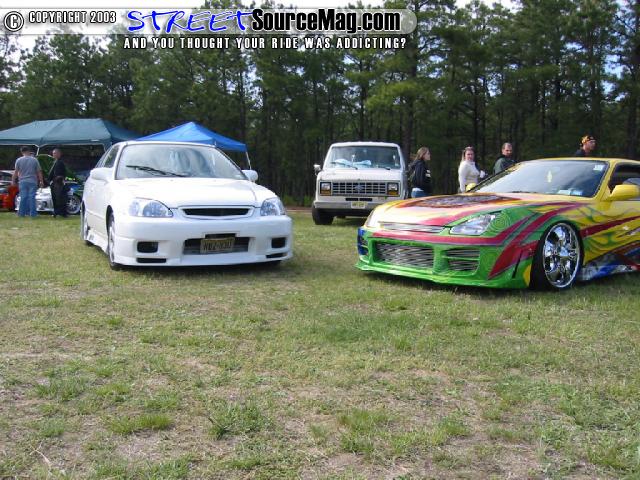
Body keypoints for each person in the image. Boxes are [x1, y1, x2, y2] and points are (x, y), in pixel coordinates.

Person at [12, 146, 43, 218]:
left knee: (23, 197)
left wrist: (13, 181)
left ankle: (21, 214)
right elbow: (39, 171)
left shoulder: (18, 160)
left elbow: (16, 172)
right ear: (28, 151)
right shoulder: (34, 160)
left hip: (22, 181)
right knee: (32, 197)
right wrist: (41, 181)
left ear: (22, 152)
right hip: (33, 181)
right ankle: (33, 214)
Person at [47, 147, 68, 217]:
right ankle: (60, 212)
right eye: (53, 153)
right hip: (55, 183)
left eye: (55, 153)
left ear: (59, 154)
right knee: (56, 198)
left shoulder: (60, 163)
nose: (53, 154)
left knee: (59, 198)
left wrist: (54, 180)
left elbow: (60, 174)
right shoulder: (55, 162)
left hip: (58, 183)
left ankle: (59, 212)